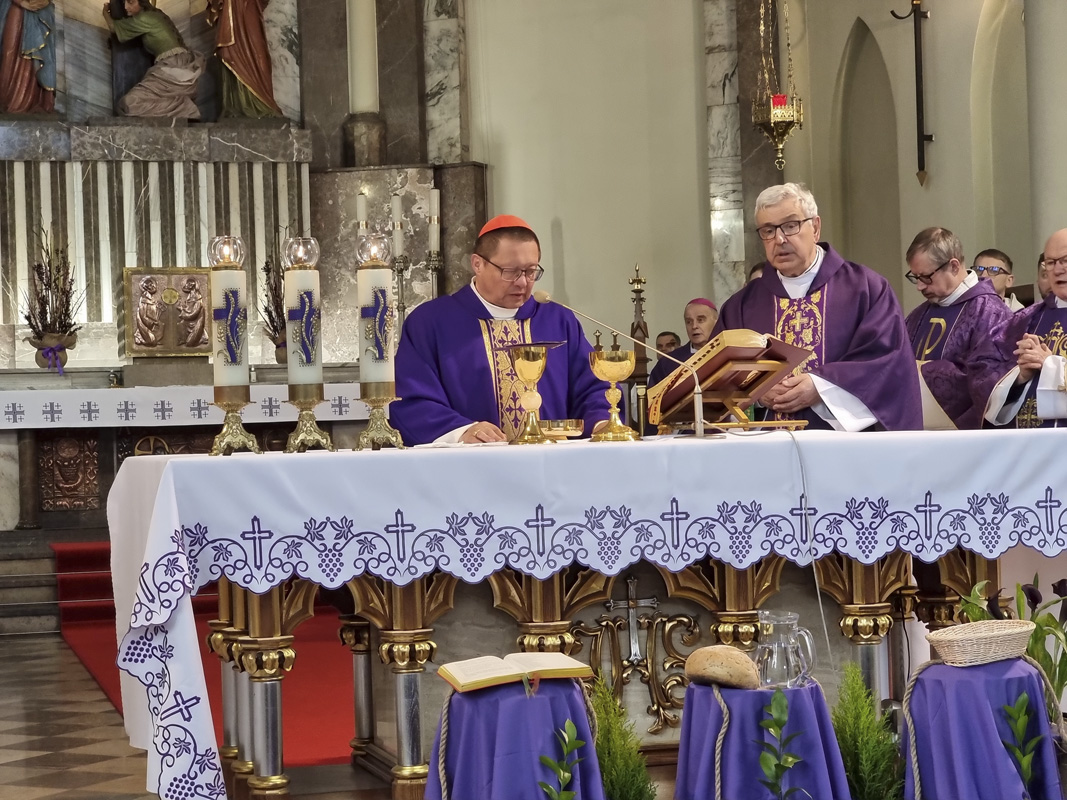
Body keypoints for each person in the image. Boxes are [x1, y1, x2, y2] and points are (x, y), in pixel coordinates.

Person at [713, 182, 921, 431]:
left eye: (791, 225)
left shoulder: (866, 290)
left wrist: (821, 387)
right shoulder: (741, 306)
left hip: (841, 448)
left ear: (815, 227)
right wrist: (755, 390)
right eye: (768, 230)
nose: (779, 239)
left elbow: (887, 363)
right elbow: (715, 377)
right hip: (765, 448)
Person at [392, 215, 611, 445]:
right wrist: (462, 431)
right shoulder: (430, 322)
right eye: (510, 271)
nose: (522, 282)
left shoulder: (558, 321)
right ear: (477, 264)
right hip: (470, 462)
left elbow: (592, 387)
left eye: (530, 271)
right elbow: (412, 398)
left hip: (551, 461)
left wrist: (601, 422)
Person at [903, 227, 1010, 429]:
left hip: (966, 439)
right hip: (916, 436)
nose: (920, 286)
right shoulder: (918, 315)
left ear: (953, 266)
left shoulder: (990, 313)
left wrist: (920, 371)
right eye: (915, 277)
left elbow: (990, 381)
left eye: (926, 277)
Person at [978, 229, 1067, 428]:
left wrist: (1050, 365)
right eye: (1051, 262)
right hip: (1029, 442)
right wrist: (1019, 377)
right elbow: (984, 375)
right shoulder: (1026, 320)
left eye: (1065, 260)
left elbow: (1048, 365)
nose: (1057, 270)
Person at [103, 0, 204, 119]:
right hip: (176, 64)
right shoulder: (155, 15)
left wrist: (105, 13)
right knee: (128, 104)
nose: (125, 7)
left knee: (129, 103)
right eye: (125, 2)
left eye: (130, 2)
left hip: (172, 66)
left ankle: (184, 108)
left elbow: (114, 27)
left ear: (142, 2)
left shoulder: (145, 18)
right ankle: (182, 106)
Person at [206, 0, 282, 118]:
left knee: (258, 52)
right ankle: (235, 106)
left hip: (249, 7)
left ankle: (264, 101)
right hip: (229, 10)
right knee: (229, 53)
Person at [647, 298, 718, 389]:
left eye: (700, 320)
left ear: (716, 322)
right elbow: (654, 395)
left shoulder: (728, 353)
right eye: (689, 322)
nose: (694, 326)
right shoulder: (668, 362)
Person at [0, 0, 55, 114]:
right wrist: (21, 2)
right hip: (13, 6)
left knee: (35, 57)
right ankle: (5, 99)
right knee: (9, 52)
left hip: (37, 10)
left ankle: (30, 100)